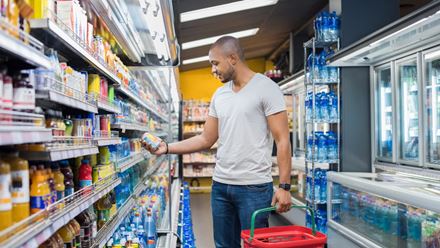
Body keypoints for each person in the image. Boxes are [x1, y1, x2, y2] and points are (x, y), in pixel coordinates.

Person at [144, 36, 292, 248]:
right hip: (221, 186)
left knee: (256, 245)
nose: (212, 70)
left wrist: (285, 186)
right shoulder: (220, 95)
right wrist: (167, 148)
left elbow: (283, 139)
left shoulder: (266, 88)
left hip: (254, 187)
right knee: (223, 245)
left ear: (232, 58)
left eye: (215, 63)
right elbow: (206, 138)